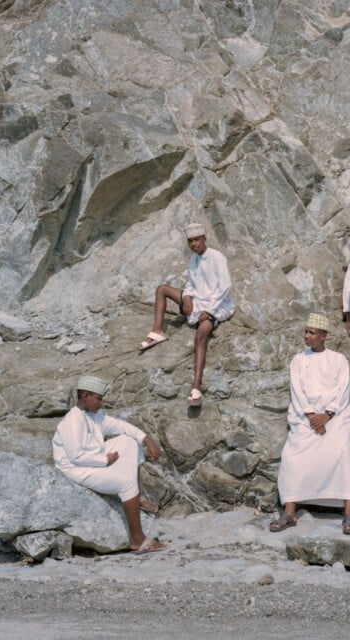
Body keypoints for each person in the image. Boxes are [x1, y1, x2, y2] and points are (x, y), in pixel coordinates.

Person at [53, 375, 167, 554]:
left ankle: (138, 497)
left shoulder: (93, 416)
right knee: (126, 482)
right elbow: (75, 457)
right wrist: (105, 461)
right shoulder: (72, 421)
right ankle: (137, 540)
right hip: (77, 469)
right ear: (85, 396)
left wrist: (146, 438)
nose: (101, 403)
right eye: (98, 398)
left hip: (93, 458)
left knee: (130, 441)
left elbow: (119, 425)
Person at [270, 313, 350, 535]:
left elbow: (342, 389)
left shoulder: (339, 360)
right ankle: (289, 511)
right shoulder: (298, 360)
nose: (306, 336)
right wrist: (312, 416)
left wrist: (327, 415)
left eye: (312, 332)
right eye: (306, 332)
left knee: (341, 454)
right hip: (305, 417)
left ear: (324, 336)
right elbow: (297, 390)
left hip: (334, 417)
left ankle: (349, 512)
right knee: (292, 457)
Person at [139, 222, 235, 407]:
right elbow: (192, 283)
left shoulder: (217, 257)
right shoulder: (194, 259)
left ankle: (196, 388)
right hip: (198, 300)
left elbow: (225, 286)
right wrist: (188, 298)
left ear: (204, 239)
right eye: (190, 241)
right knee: (162, 289)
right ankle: (158, 330)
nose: (193, 244)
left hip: (217, 305)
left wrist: (208, 311)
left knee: (201, 335)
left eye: (196, 240)